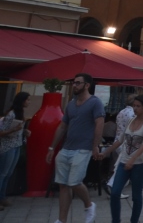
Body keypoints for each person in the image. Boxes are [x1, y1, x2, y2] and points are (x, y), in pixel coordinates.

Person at [47, 73, 104, 223]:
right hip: (66, 148)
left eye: (78, 83)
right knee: (63, 185)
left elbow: (99, 124)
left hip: (83, 148)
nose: (75, 85)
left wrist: (95, 146)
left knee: (74, 182)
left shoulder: (95, 102)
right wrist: (52, 148)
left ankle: (89, 205)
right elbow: (62, 126)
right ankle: (62, 220)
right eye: (74, 83)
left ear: (87, 85)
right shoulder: (71, 104)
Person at [98, 94, 143, 223]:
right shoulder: (130, 121)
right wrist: (105, 153)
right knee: (115, 192)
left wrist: (133, 159)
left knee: (136, 196)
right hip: (124, 161)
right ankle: (115, 220)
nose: (135, 108)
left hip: (139, 164)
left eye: (138, 106)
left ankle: (134, 220)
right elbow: (120, 140)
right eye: (134, 106)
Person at [0, 91, 29, 210]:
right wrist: (14, 129)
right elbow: (2, 132)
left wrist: (24, 132)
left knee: (9, 173)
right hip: (8, 146)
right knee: (3, 173)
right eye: (27, 100)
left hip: (17, 145)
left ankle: (2, 197)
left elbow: (18, 130)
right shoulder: (11, 114)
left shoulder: (20, 114)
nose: (28, 102)